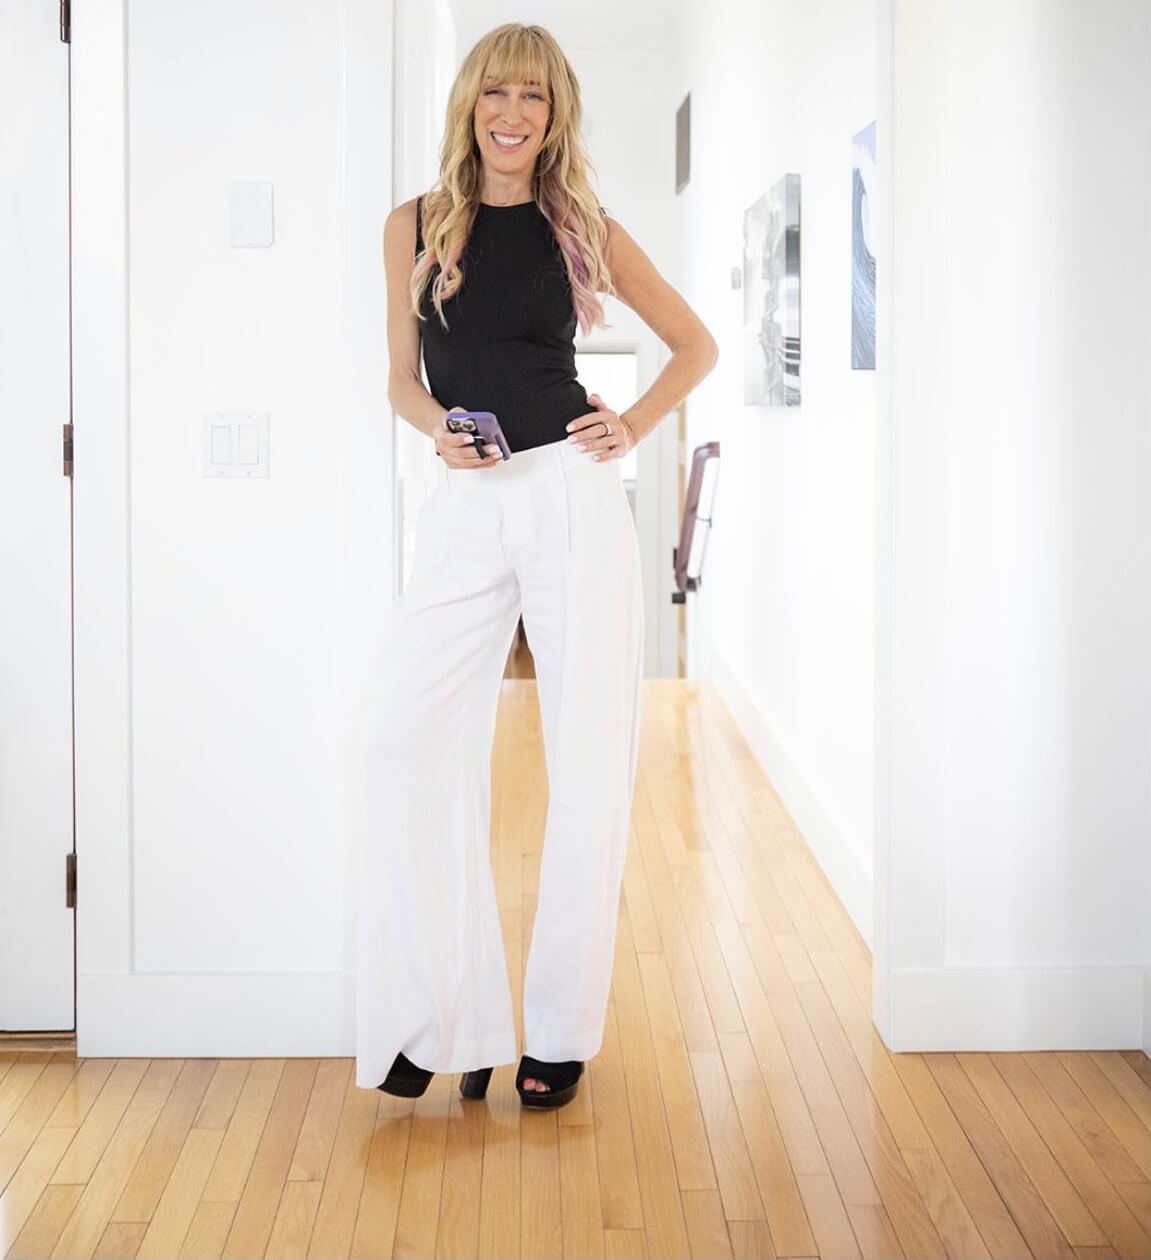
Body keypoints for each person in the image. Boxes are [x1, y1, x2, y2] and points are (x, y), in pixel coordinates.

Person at [355, 22, 718, 1109]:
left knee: (588, 757)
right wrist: (437, 430)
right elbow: (401, 381)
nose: (511, 114)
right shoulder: (413, 225)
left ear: (554, 117)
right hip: (465, 503)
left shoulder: (581, 228)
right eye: (495, 94)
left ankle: (558, 1032)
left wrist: (632, 425)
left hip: (568, 492)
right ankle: (444, 1019)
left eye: (534, 97)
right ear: (468, 104)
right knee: (400, 742)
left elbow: (694, 344)